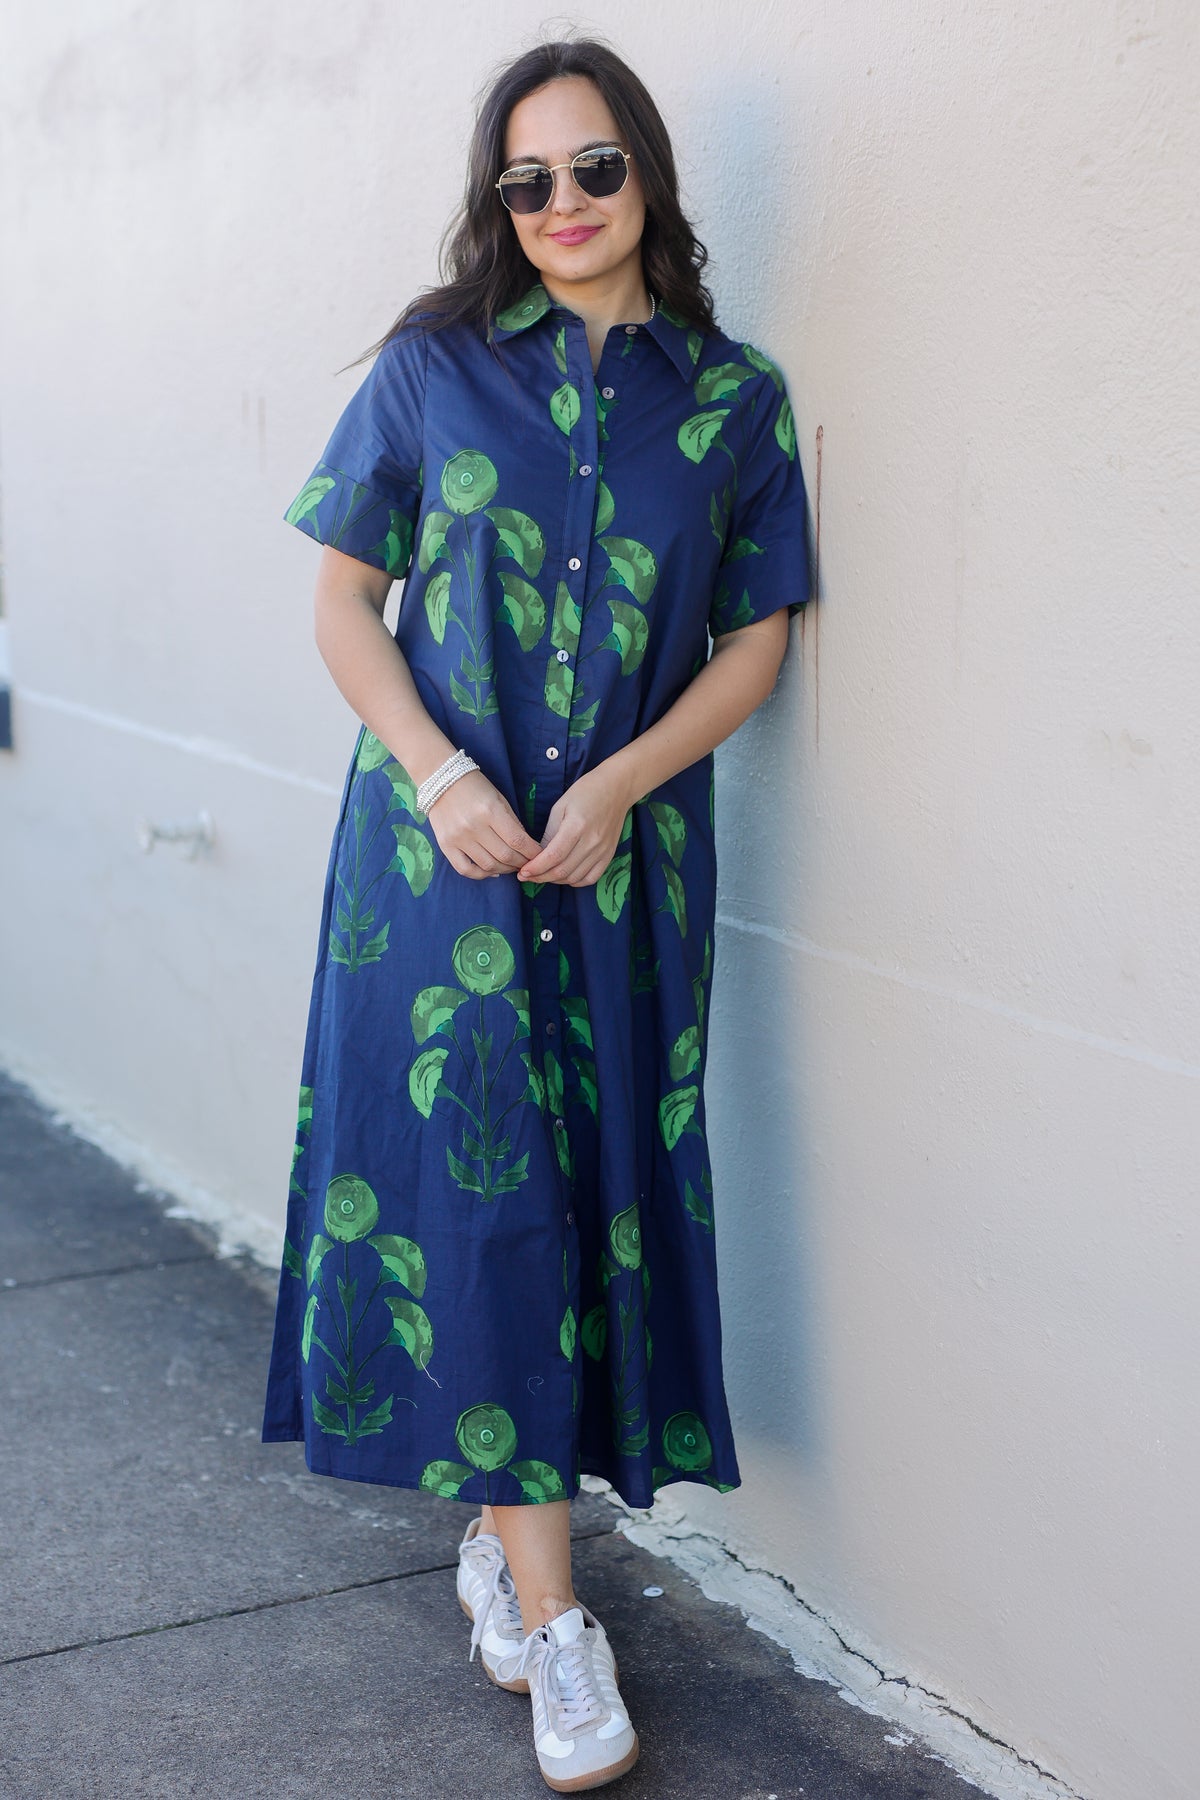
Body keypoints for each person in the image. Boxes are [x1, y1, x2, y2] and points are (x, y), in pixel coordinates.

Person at [261, 34, 811, 1793]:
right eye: (526, 181)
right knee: (490, 1199)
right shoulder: (430, 375)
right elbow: (347, 604)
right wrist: (441, 775)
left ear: (647, 173)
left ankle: (505, 1546)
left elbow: (755, 640)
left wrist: (626, 779)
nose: (562, 205)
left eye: (593, 169)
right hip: (444, 871)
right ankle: (558, 1619)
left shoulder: (732, 399)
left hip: (624, 870)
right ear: (496, 204)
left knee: (593, 1197)